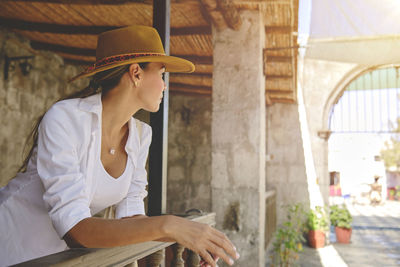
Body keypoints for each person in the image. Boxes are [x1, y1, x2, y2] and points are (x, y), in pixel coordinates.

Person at [0, 25, 239, 267]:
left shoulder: (141, 135)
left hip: (55, 258)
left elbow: (131, 217)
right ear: (136, 73)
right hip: (9, 241)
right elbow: (76, 230)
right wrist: (170, 224)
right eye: (162, 74)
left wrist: (180, 244)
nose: (165, 86)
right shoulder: (65, 119)